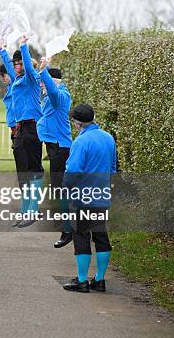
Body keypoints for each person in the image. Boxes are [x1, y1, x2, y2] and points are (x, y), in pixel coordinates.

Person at [61, 104, 116, 293]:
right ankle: (100, 280)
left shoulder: (81, 142)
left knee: (81, 236)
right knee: (101, 236)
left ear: (77, 123)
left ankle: (82, 280)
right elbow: (113, 168)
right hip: (102, 194)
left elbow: (73, 171)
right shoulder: (109, 138)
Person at [0, 36, 44, 227]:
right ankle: (25, 211)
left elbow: (26, 65)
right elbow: (8, 66)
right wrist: (1, 49)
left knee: (35, 170)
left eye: (19, 63)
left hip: (33, 126)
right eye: (14, 64)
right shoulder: (16, 80)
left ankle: (34, 210)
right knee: (24, 171)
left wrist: (23, 46)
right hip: (21, 127)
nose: (15, 66)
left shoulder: (33, 78)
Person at [38, 57, 73, 248]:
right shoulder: (55, 94)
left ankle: (68, 230)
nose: (41, 84)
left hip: (60, 148)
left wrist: (44, 70)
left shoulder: (59, 96)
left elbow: (51, 89)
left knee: (60, 190)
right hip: (55, 147)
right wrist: (45, 67)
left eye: (43, 81)